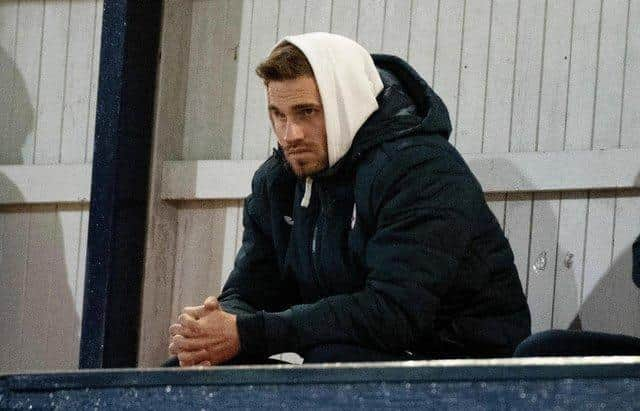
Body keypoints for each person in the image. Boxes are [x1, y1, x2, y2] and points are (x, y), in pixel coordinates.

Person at [167, 32, 531, 367]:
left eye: (306, 112)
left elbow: (393, 314)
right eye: (278, 115)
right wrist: (216, 324)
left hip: (467, 368)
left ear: (346, 103)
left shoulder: (421, 170)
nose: (289, 134)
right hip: (359, 355)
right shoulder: (277, 183)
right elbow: (252, 289)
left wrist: (248, 332)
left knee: (334, 360)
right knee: (194, 368)